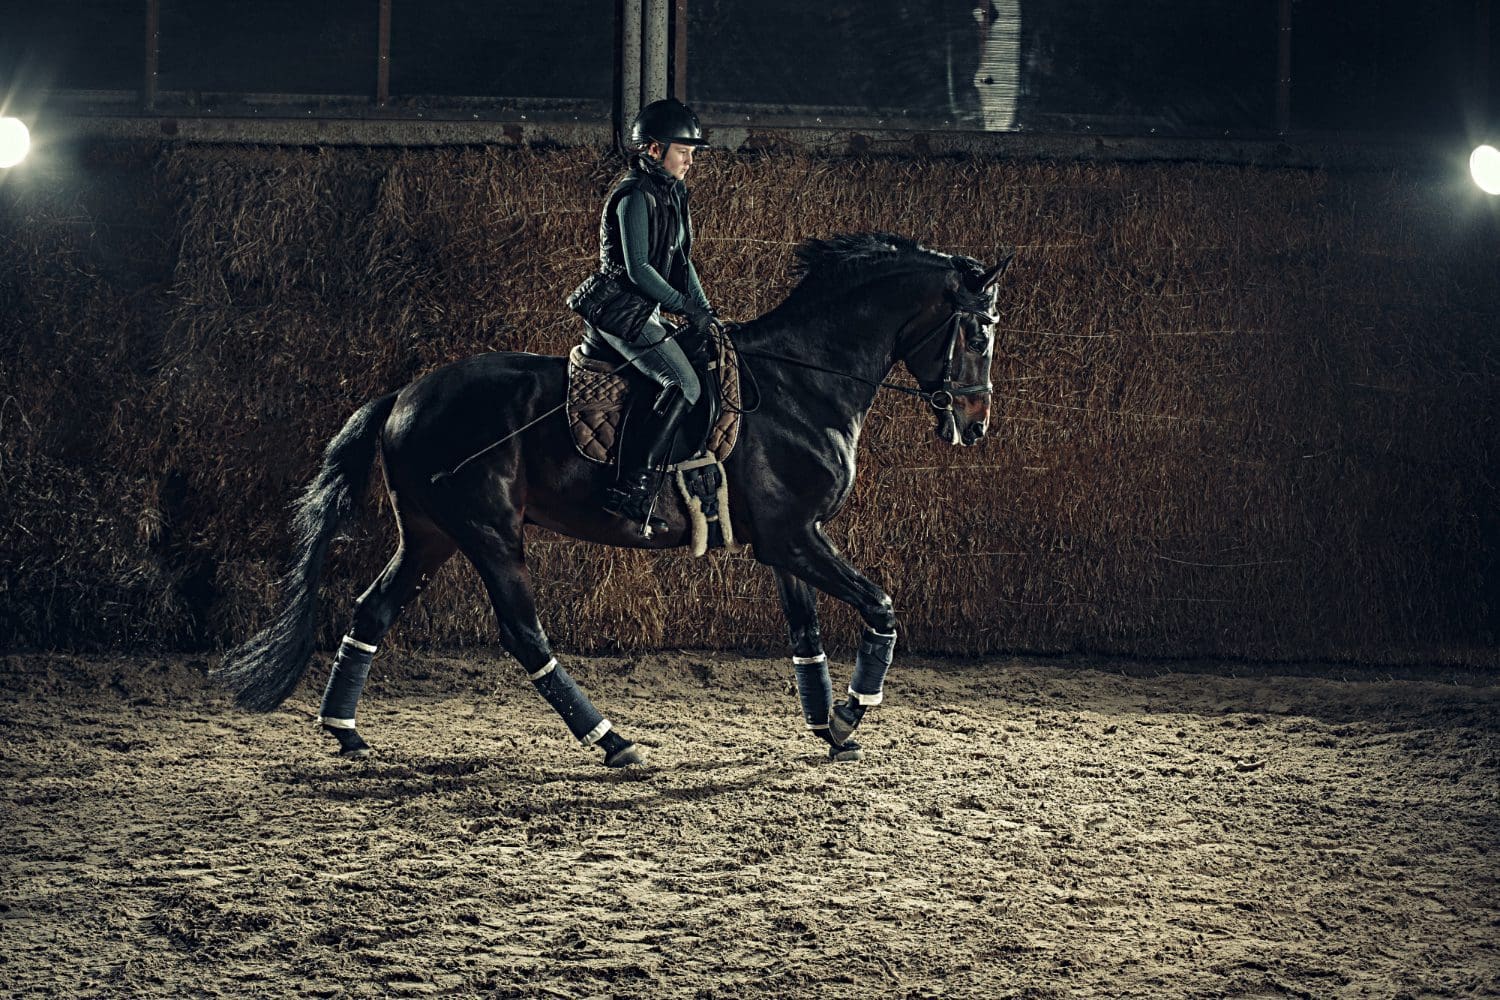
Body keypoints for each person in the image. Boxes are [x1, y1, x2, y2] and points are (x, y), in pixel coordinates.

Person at [569, 98, 716, 529]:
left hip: (641, 309)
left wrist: (704, 311)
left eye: (691, 154)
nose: (689, 161)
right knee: (683, 382)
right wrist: (682, 307)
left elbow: (680, 259)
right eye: (682, 152)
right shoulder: (634, 196)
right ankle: (636, 485)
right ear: (653, 150)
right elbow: (640, 270)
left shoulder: (674, 193)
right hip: (617, 309)